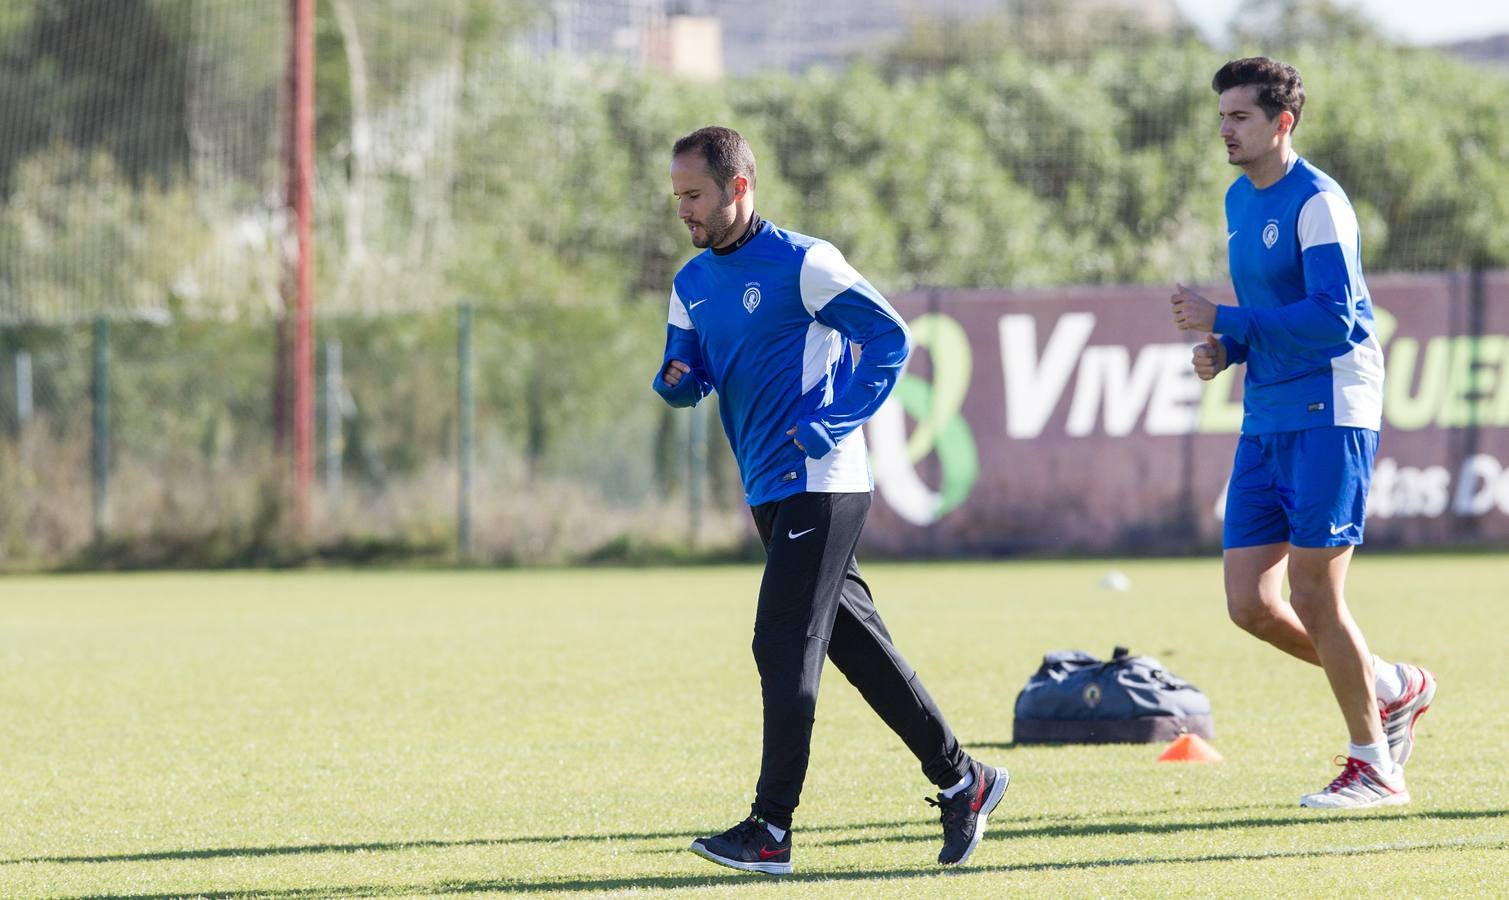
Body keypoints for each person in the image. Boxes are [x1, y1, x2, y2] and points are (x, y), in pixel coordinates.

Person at [653, 125, 1007, 875]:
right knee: (853, 645)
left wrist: (833, 420)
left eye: (694, 195)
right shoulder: (690, 283)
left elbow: (889, 339)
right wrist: (678, 380)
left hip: (825, 479)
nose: (682, 209)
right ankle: (962, 780)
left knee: (779, 643)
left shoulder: (806, 263)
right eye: (676, 195)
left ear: (738, 188)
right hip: (767, 485)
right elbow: (685, 367)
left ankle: (770, 828)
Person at [1171, 58, 1436, 809]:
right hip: (1267, 413)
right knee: (1248, 605)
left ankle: (1375, 767)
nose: (1224, 129)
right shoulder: (1236, 198)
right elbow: (1276, 313)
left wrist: (1222, 319)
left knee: (1313, 591)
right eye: (1220, 116)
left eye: (1239, 117)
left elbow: (1336, 320)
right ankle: (1389, 686)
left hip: (1331, 407)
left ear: (1280, 123)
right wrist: (1228, 351)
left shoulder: (1318, 202)